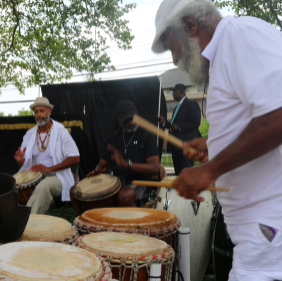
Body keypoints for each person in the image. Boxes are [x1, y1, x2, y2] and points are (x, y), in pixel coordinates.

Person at [152, 0, 282, 280]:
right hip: (259, 233)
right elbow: (256, 118)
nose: (174, 60)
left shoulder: (239, 34)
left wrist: (210, 170)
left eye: (172, 47)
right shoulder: (224, 57)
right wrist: (212, 145)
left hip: (270, 229)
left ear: (190, 26)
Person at [87, 100, 160, 207]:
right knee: (78, 192)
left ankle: (137, 223)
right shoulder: (113, 139)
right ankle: (90, 223)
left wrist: (127, 164)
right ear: (119, 120)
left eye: (132, 118)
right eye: (126, 120)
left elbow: (155, 168)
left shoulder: (147, 137)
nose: (130, 122)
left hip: (140, 182)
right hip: (117, 181)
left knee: (124, 196)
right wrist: (97, 171)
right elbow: (102, 165)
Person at [14, 97, 80, 214]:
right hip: (35, 176)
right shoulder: (30, 135)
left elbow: (75, 158)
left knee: (43, 187)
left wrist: (49, 169)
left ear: (49, 112)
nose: (38, 114)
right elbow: (24, 163)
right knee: (11, 184)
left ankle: (29, 223)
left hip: (58, 176)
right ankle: (22, 219)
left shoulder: (61, 132)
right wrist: (20, 160)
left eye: (42, 110)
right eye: (36, 111)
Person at [158, 83, 201, 175]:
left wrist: (180, 127)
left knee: (187, 173)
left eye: (174, 92)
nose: (172, 94)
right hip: (175, 146)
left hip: (185, 146)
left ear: (181, 92)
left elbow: (196, 122)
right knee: (178, 174)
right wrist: (165, 122)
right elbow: (173, 126)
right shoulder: (176, 108)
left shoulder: (192, 104)